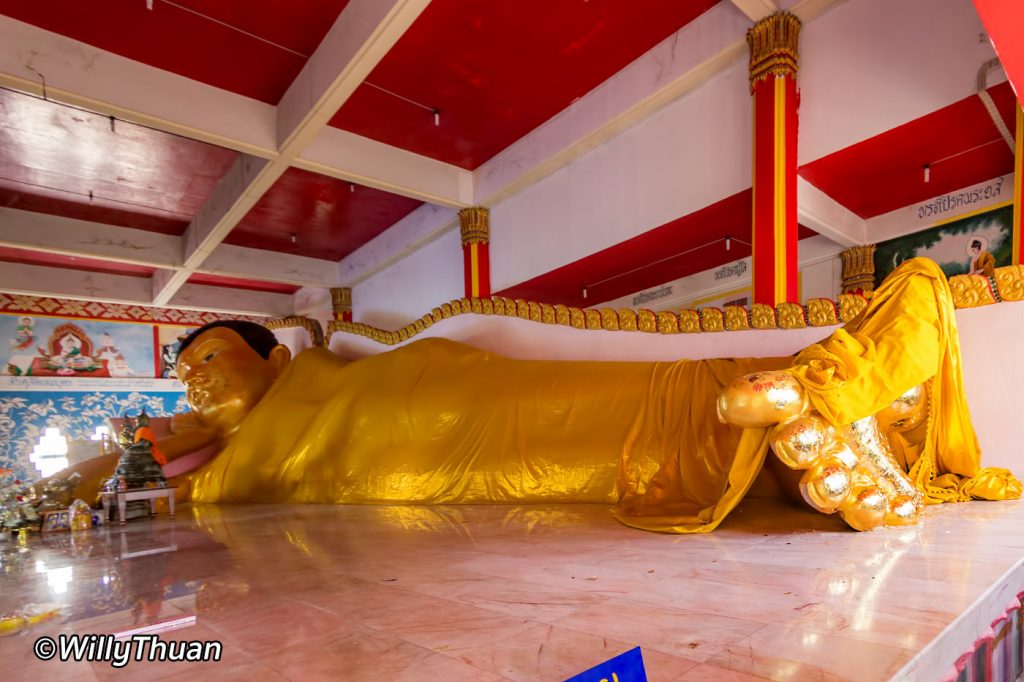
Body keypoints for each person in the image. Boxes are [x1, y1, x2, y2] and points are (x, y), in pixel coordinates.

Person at [56, 259, 1020, 532]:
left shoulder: (319, 367)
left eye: (212, 359)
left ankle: (800, 394)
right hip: (419, 465)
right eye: (184, 375)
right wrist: (127, 455)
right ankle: (788, 427)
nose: (197, 381)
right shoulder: (218, 455)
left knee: (599, 408)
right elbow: (169, 477)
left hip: (436, 392)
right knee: (579, 465)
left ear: (271, 354)